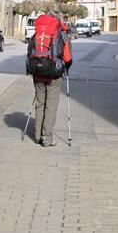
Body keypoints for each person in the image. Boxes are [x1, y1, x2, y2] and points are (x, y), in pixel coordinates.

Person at [30, 14, 72, 147]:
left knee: (39, 104)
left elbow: (30, 52)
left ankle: (37, 135)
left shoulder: (38, 33)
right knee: (51, 106)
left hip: (37, 72)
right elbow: (68, 58)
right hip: (54, 74)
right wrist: (67, 67)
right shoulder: (61, 34)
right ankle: (47, 137)